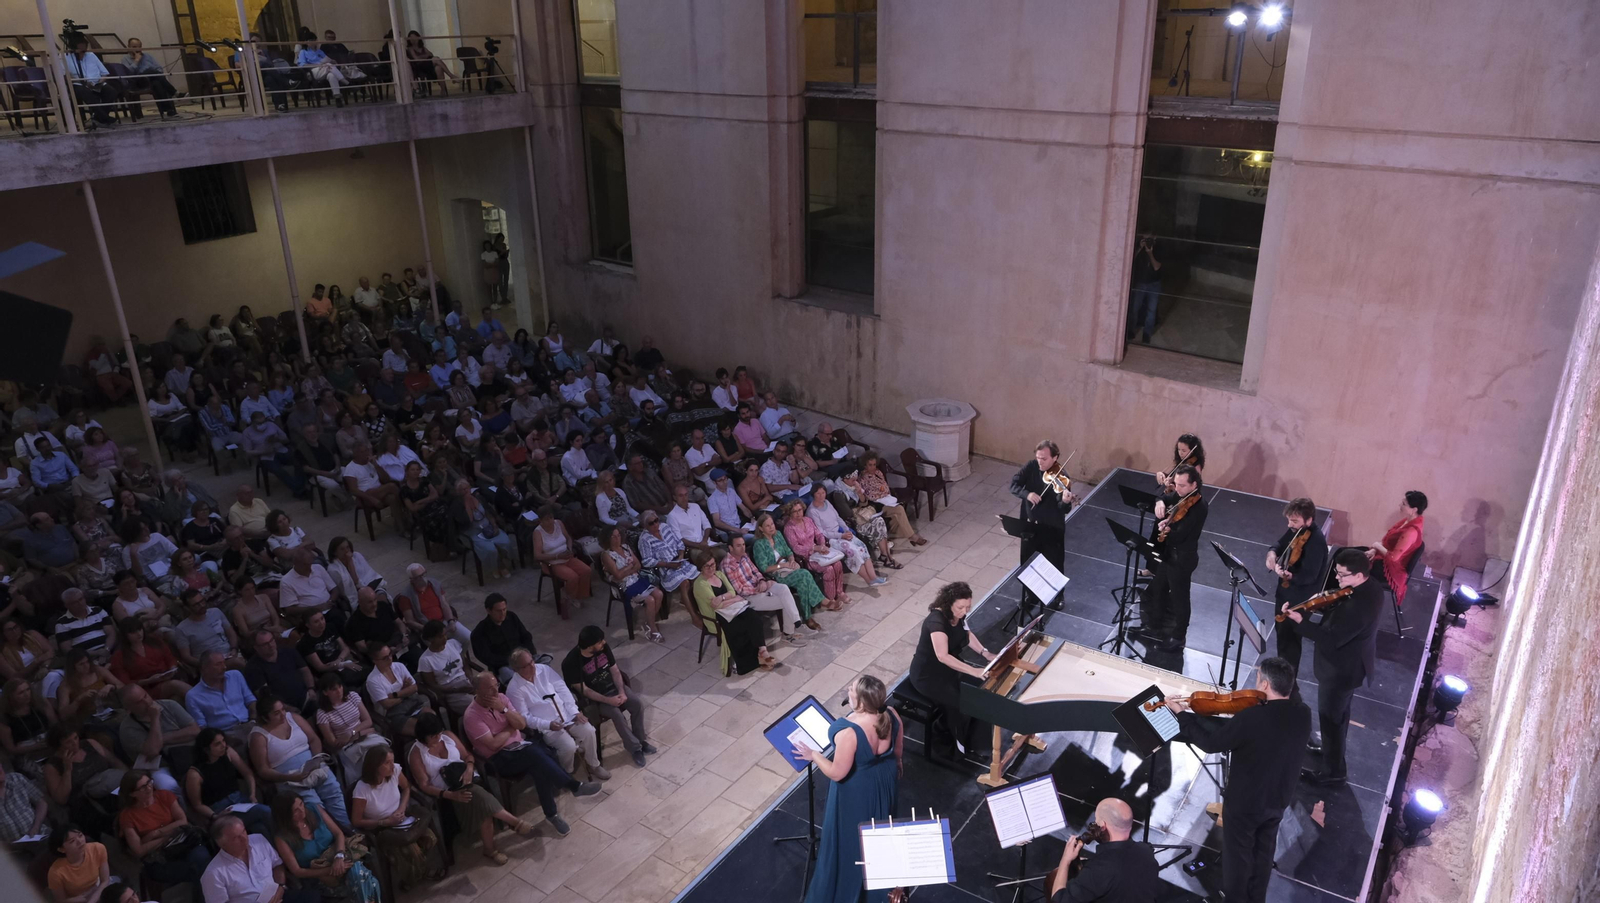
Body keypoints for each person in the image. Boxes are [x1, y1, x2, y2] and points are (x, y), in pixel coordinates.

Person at [1162, 656, 1307, 903]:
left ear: (1264, 685)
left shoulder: (1252, 718)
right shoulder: (1303, 714)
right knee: (1263, 854)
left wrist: (1182, 715)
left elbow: (1211, 743)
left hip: (1246, 803)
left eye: (1258, 678)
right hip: (1278, 798)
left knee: (1237, 859)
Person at [796, 674, 903, 903]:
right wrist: (898, 766)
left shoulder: (850, 732)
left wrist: (814, 755)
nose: (848, 689)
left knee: (850, 840)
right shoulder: (891, 714)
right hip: (884, 779)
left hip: (857, 790)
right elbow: (898, 748)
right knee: (880, 833)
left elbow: (837, 772)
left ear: (862, 701)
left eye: (852, 689)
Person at [1283, 548, 1385, 787]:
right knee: (1338, 717)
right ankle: (1332, 754)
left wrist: (1301, 621)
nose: (1337, 580)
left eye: (1342, 575)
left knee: (1331, 719)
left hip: (1341, 671)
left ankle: (1333, 772)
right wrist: (1327, 605)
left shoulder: (1357, 607)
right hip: (1352, 665)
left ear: (1359, 575)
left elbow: (1330, 637)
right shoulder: (1372, 588)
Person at [405, 712, 525, 866]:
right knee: (478, 798)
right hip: (449, 791)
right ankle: (512, 825)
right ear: (423, 737)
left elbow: (468, 755)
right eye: (433, 736)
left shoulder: (447, 736)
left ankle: (494, 846)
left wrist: (469, 768)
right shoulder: (416, 753)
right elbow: (424, 785)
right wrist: (449, 795)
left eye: (438, 733)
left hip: (469, 779)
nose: (438, 738)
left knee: (476, 795)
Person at [909, 582, 995, 757]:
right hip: (928, 676)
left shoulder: (959, 616)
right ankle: (954, 746)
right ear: (948, 603)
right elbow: (943, 656)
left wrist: (985, 653)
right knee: (960, 704)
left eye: (968, 607)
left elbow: (967, 634)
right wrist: (973, 670)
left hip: (948, 670)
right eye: (960, 607)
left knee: (981, 691)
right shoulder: (936, 622)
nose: (964, 611)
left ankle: (977, 742)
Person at [247, 689, 351, 829]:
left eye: (283, 710)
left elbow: (314, 740)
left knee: (333, 790)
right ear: (265, 717)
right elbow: (263, 770)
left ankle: (349, 829)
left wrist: (316, 759)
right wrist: (288, 777)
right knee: (312, 806)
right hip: (289, 778)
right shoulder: (258, 736)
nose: (282, 715)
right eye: (276, 713)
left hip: (313, 766)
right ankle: (332, 837)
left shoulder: (293, 718)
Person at [349, 746, 442, 890]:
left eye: (392, 761)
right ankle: (422, 873)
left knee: (429, 837)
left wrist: (401, 808)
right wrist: (385, 821)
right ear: (375, 766)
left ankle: (411, 874)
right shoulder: (362, 789)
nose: (392, 766)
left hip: (401, 819)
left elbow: (406, 788)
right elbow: (356, 820)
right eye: (387, 763)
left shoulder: (395, 771)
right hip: (382, 827)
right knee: (412, 850)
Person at [1136, 465, 1207, 653]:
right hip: (1169, 554)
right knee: (1158, 588)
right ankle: (1155, 625)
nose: (1178, 488)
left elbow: (1181, 535)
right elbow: (1165, 497)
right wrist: (1159, 502)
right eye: (1176, 484)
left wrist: (1166, 529)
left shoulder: (1199, 507)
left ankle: (1179, 636)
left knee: (1180, 598)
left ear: (1194, 485)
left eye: (1182, 485)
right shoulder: (1180, 495)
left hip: (1182, 558)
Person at [563, 625, 654, 767]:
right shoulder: (571, 663)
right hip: (597, 698)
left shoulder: (603, 649)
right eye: (600, 642)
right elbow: (585, 691)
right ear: (590, 646)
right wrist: (609, 700)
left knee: (636, 703)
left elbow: (615, 671)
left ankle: (641, 740)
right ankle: (635, 748)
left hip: (614, 688)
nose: (604, 643)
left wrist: (622, 692)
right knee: (617, 714)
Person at [269, 793, 380, 902]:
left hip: (339, 857)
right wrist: (330, 870)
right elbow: (298, 871)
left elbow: (338, 833)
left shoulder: (313, 809)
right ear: (286, 815)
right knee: (367, 879)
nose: (302, 810)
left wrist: (339, 856)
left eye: (301, 804)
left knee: (357, 873)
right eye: (295, 811)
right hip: (320, 876)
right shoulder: (282, 838)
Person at [1045, 798, 1157, 903]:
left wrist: (1066, 859)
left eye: (1096, 821)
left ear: (1103, 825)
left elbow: (1058, 900)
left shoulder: (1099, 870)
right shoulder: (1146, 851)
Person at [116, 769, 213, 890]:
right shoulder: (127, 816)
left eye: (149, 782)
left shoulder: (164, 796)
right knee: (196, 870)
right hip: (159, 857)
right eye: (142, 787)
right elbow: (139, 850)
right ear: (132, 794)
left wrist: (154, 834)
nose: (149, 788)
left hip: (183, 843)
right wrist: (167, 835)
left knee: (203, 860)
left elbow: (183, 821)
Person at [1265, 497, 1328, 676]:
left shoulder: (1316, 542)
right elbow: (1279, 544)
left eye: (1294, 520)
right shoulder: (1296, 530)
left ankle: (1288, 680)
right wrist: (1271, 555)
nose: (1289, 524)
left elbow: (1310, 576)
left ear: (1309, 520)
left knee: (1290, 640)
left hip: (1299, 598)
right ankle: (1281, 674)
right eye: (1289, 519)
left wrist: (1290, 576)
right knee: (1282, 635)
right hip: (1286, 592)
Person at [692, 556, 776, 674]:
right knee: (740, 626)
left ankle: (762, 650)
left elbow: (731, 591)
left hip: (732, 609)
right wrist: (734, 599)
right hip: (717, 617)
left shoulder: (719, 574)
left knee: (753, 616)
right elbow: (716, 606)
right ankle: (744, 664)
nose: (711, 568)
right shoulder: (700, 584)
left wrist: (723, 598)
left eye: (713, 564)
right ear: (701, 568)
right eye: (707, 566)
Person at [185, 728, 272, 837]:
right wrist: (215, 816)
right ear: (206, 749)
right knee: (265, 811)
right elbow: (197, 805)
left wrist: (252, 794)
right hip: (221, 810)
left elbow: (247, 773)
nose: (223, 745)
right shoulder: (195, 773)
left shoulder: (228, 752)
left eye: (223, 741)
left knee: (260, 829)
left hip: (240, 800)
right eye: (217, 744)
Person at [200, 814, 306, 903]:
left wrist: (281, 887)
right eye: (236, 837)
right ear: (222, 844)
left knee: (311, 896)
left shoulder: (258, 840)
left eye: (243, 831)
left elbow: (277, 865)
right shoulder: (213, 874)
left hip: (278, 896)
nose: (244, 838)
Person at [1009, 439, 1078, 571]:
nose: (1040, 461)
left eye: (1044, 459)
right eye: (1038, 457)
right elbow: (1013, 485)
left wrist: (1065, 501)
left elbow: (1065, 509)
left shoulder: (1063, 477)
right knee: (1027, 569)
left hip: (1051, 531)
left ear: (1055, 458)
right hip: (1029, 527)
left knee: (1053, 570)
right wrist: (1027, 494)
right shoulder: (1031, 466)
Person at [118, 683, 197, 792]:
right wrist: (155, 718)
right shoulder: (127, 728)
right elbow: (153, 751)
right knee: (168, 786)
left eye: (145, 696)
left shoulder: (169, 705)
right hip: (161, 765)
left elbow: (195, 730)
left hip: (189, 751)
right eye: (139, 702)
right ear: (129, 708)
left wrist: (161, 739)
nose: (146, 702)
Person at [752, 512, 831, 618]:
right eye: (767, 525)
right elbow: (764, 568)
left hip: (788, 567)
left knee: (802, 584)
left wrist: (792, 560)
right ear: (761, 528)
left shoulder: (778, 535)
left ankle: (807, 617)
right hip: (776, 574)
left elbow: (788, 551)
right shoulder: (759, 544)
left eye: (772, 524)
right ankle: (822, 601)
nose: (771, 527)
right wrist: (783, 566)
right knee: (804, 574)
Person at [1366, 490, 1427, 606]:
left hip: (1390, 568)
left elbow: (1393, 558)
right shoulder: (1406, 521)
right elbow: (1386, 540)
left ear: (1414, 510)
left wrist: (1377, 546)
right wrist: (1374, 549)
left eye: (1404, 504)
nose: (1400, 505)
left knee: (1351, 562)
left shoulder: (1411, 531)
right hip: (1383, 557)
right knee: (1345, 553)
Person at [185, 651, 257, 746]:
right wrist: (225, 740)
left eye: (224, 662)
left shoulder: (235, 675)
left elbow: (250, 700)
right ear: (204, 669)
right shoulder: (193, 696)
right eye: (218, 664)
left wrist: (253, 720)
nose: (224, 667)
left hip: (249, 723)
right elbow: (202, 727)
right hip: (225, 734)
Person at [450, 477, 516, 579]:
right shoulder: (456, 505)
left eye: (466, 488)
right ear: (458, 492)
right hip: (473, 532)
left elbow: (489, 513)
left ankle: (499, 562)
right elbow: (468, 520)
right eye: (462, 490)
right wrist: (468, 504)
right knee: (491, 549)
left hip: (488, 526)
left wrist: (494, 525)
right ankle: (500, 566)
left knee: (505, 542)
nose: (465, 491)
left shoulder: (479, 498)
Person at [364, 644, 430, 739]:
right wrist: (405, 692)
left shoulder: (399, 666)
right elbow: (387, 704)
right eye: (385, 658)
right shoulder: (372, 680)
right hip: (393, 714)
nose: (390, 659)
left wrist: (395, 694)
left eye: (390, 654)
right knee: (423, 730)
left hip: (412, 703)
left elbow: (414, 687)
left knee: (431, 720)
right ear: (375, 661)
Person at [532, 506, 593, 602]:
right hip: (552, 563)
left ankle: (578, 595)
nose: (550, 521)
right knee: (573, 577)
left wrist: (569, 548)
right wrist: (557, 556)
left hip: (567, 557)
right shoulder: (538, 532)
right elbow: (537, 555)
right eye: (546, 520)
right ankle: (569, 596)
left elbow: (568, 538)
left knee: (587, 570)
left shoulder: (559, 523)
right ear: (540, 521)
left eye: (551, 518)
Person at [243, 630, 314, 711]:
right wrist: (286, 708)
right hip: (282, 709)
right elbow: (265, 696)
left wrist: (311, 688)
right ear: (256, 647)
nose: (270, 645)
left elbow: (305, 670)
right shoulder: (252, 668)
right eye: (265, 644)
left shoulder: (289, 651)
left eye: (271, 640)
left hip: (306, 698)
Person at [471, 593, 533, 683]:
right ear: (489, 611)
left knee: (545, 663)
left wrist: (528, 654)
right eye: (498, 611)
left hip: (523, 657)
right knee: (515, 680)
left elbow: (526, 636)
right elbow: (487, 657)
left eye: (504, 609)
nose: (503, 613)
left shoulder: (511, 617)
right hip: (504, 665)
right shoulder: (480, 632)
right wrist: (511, 661)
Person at [46, 823, 113, 903]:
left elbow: (105, 880)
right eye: (72, 841)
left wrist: (92, 900)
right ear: (61, 849)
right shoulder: (56, 872)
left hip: (97, 889)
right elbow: (61, 901)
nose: (79, 841)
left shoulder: (98, 848)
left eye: (80, 835)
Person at [1126, 233, 1163, 345]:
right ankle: (1131, 331)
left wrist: (1150, 253)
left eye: (1149, 239)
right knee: (1134, 308)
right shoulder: (1138, 248)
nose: (1147, 241)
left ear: (1154, 238)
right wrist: (1139, 248)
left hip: (1154, 284)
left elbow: (1157, 267)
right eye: (1145, 239)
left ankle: (1147, 334)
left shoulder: (1159, 249)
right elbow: (1129, 262)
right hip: (1140, 283)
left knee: (1151, 310)